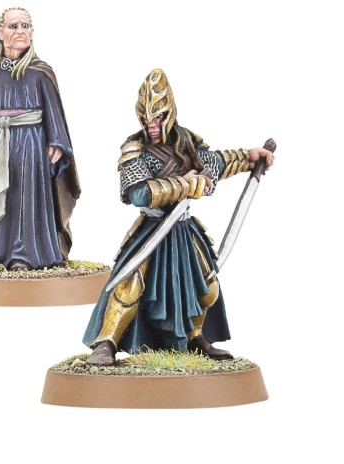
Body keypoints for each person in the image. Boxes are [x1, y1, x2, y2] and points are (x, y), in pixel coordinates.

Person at [83, 69, 273, 365]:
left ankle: (196, 337)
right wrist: (185, 184)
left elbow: (216, 163)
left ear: (169, 113)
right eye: (147, 118)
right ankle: (106, 342)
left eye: (158, 117)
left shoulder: (185, 143)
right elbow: (139, 194)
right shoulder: (135, 149)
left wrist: (249, 157)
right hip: (153, 228)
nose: (152, 125)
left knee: (206, 284)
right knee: (129, 283)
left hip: (183, 228)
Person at [0, 8, 80, 270]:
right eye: (13, 26)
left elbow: (54, 111)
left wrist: (57, 141)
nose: (20, 31)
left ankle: (27, 255)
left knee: (25, 197)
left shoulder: (40, 73)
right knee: (3, 197)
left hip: (31, 143)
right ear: (0, 32)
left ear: (32, 32)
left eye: (25, 26)